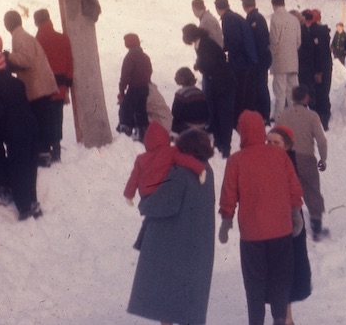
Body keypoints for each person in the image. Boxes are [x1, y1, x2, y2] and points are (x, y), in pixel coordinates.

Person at [219, 110, 304, 325]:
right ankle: (279, 319)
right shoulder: (279, 155)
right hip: (281, 230)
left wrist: (226, 221)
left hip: (252, 234)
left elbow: (229, 194)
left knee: (254, 282)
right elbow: (294, 187)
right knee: (280, 278)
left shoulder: (236, 160)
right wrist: (295, 214)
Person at [127, 128, 216, 325]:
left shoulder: (179, 174)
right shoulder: (207, 171)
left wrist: (144, 204)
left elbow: (162, 202)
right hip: (197, 245)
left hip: (172, 245)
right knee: (188, 300)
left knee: (165, 295)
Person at [0, 33, 41, 220]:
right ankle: (33, 201)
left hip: (15, 134)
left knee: (18, 168)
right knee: (31, 166)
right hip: (32, 127)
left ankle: (24, 208)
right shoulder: (17, 82)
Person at [265, 126, 313, 319]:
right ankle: (288, 318)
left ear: (287, 145)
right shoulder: (271, 161)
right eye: (268, 141)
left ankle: (286, 319)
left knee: (284, 275)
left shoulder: (287, 164)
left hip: (289, 226)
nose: (270, 146)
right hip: (280, 225)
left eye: (276, 142)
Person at [274, 85, 329, 241]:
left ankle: (289, 226)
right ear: (306, 98)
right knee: (312, 191)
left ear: (291, 98)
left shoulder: (282, 116)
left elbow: (274, 137)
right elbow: (322, 141)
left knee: (288, 192)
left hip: (287, 159)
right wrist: (323, 159)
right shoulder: (312, 116)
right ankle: (316, 228)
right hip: (307, 159)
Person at [3, 10, 58, 167]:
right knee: (42, 121)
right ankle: (45, 152)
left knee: (39, 122)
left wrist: (8, 57)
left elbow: (26, 60)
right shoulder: (22, 35)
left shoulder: (19, 37)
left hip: (36, 87)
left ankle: (43, 154)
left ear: (8, 24)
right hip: (39, 86)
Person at [182, 24, 235, 159]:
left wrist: (199, 65)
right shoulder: (202, 43)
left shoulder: (205, 44)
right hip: (216, 83)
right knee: (216, 113)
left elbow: (210, 63)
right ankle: (219, 143)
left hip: (223, 84)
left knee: (224, 116)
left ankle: (225, 146)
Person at [124, 121, 207, 204]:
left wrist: (128, 195)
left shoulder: (141, 158)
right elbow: (186, 160)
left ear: (147, 141)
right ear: (165, 136)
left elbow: (133, 178)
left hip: (146, 195)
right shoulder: (171, 151)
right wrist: (200, 169)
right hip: (162, 192)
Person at [33, 9, 73, 164]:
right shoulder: (63, 38)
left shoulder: (37, 41)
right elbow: (70, 62)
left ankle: (47, 149)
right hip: (61, 85)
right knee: (57, 117)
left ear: (36, 22)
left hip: (45, 87)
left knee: (45, 119)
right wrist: (68, 82)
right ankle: (56, 148)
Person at [215, 0, 258, 120]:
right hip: (247, 59)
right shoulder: (234, 16)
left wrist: (224, 50)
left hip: (240, 61)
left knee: (238, 91)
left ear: (217, 8)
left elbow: (234, 41)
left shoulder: (228, 19)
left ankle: (238, 118)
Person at [298, 9, 333, 130]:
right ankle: (323, 118)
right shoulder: (320, 31)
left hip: (319, 68)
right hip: (323, 67)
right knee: (321, 93)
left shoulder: (314, 32)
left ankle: (322, 121)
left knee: (320, 94)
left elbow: (319, 53)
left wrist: (318, 71)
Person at [269, 0, 301, 121]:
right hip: (293, 60)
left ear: (274, 5)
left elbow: (274, 40)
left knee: (280, 93)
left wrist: (272, 55)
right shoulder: (294, 19)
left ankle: (279, 118)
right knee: (293, 92)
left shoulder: (275, 17)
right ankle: (296, 117)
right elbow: (298, 42)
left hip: (280, 61)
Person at [242, 0, 273, 123]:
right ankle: (262, 113)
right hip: (263, 57)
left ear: (245, 5)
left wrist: (255, 60)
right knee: (260, 86)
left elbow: (259, 40)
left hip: (259, 59)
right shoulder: (257, 17)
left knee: (259, 86)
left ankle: (263, 114)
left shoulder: (253, 19)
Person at [118, 33, 153, 141]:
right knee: (142, 111)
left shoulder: (130, 57)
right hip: (145, 88)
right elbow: (150, 71)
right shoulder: (145, 56)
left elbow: (125, 76)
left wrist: (122, 90)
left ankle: (125, 132)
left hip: (134, 88)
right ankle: (144, 133)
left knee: (126, 109)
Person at [171, 67, 211, 136]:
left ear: (182, 79)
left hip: (188, 127)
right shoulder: (200, 92)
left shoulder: (180, 93)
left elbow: (175, 113)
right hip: (203, 126)